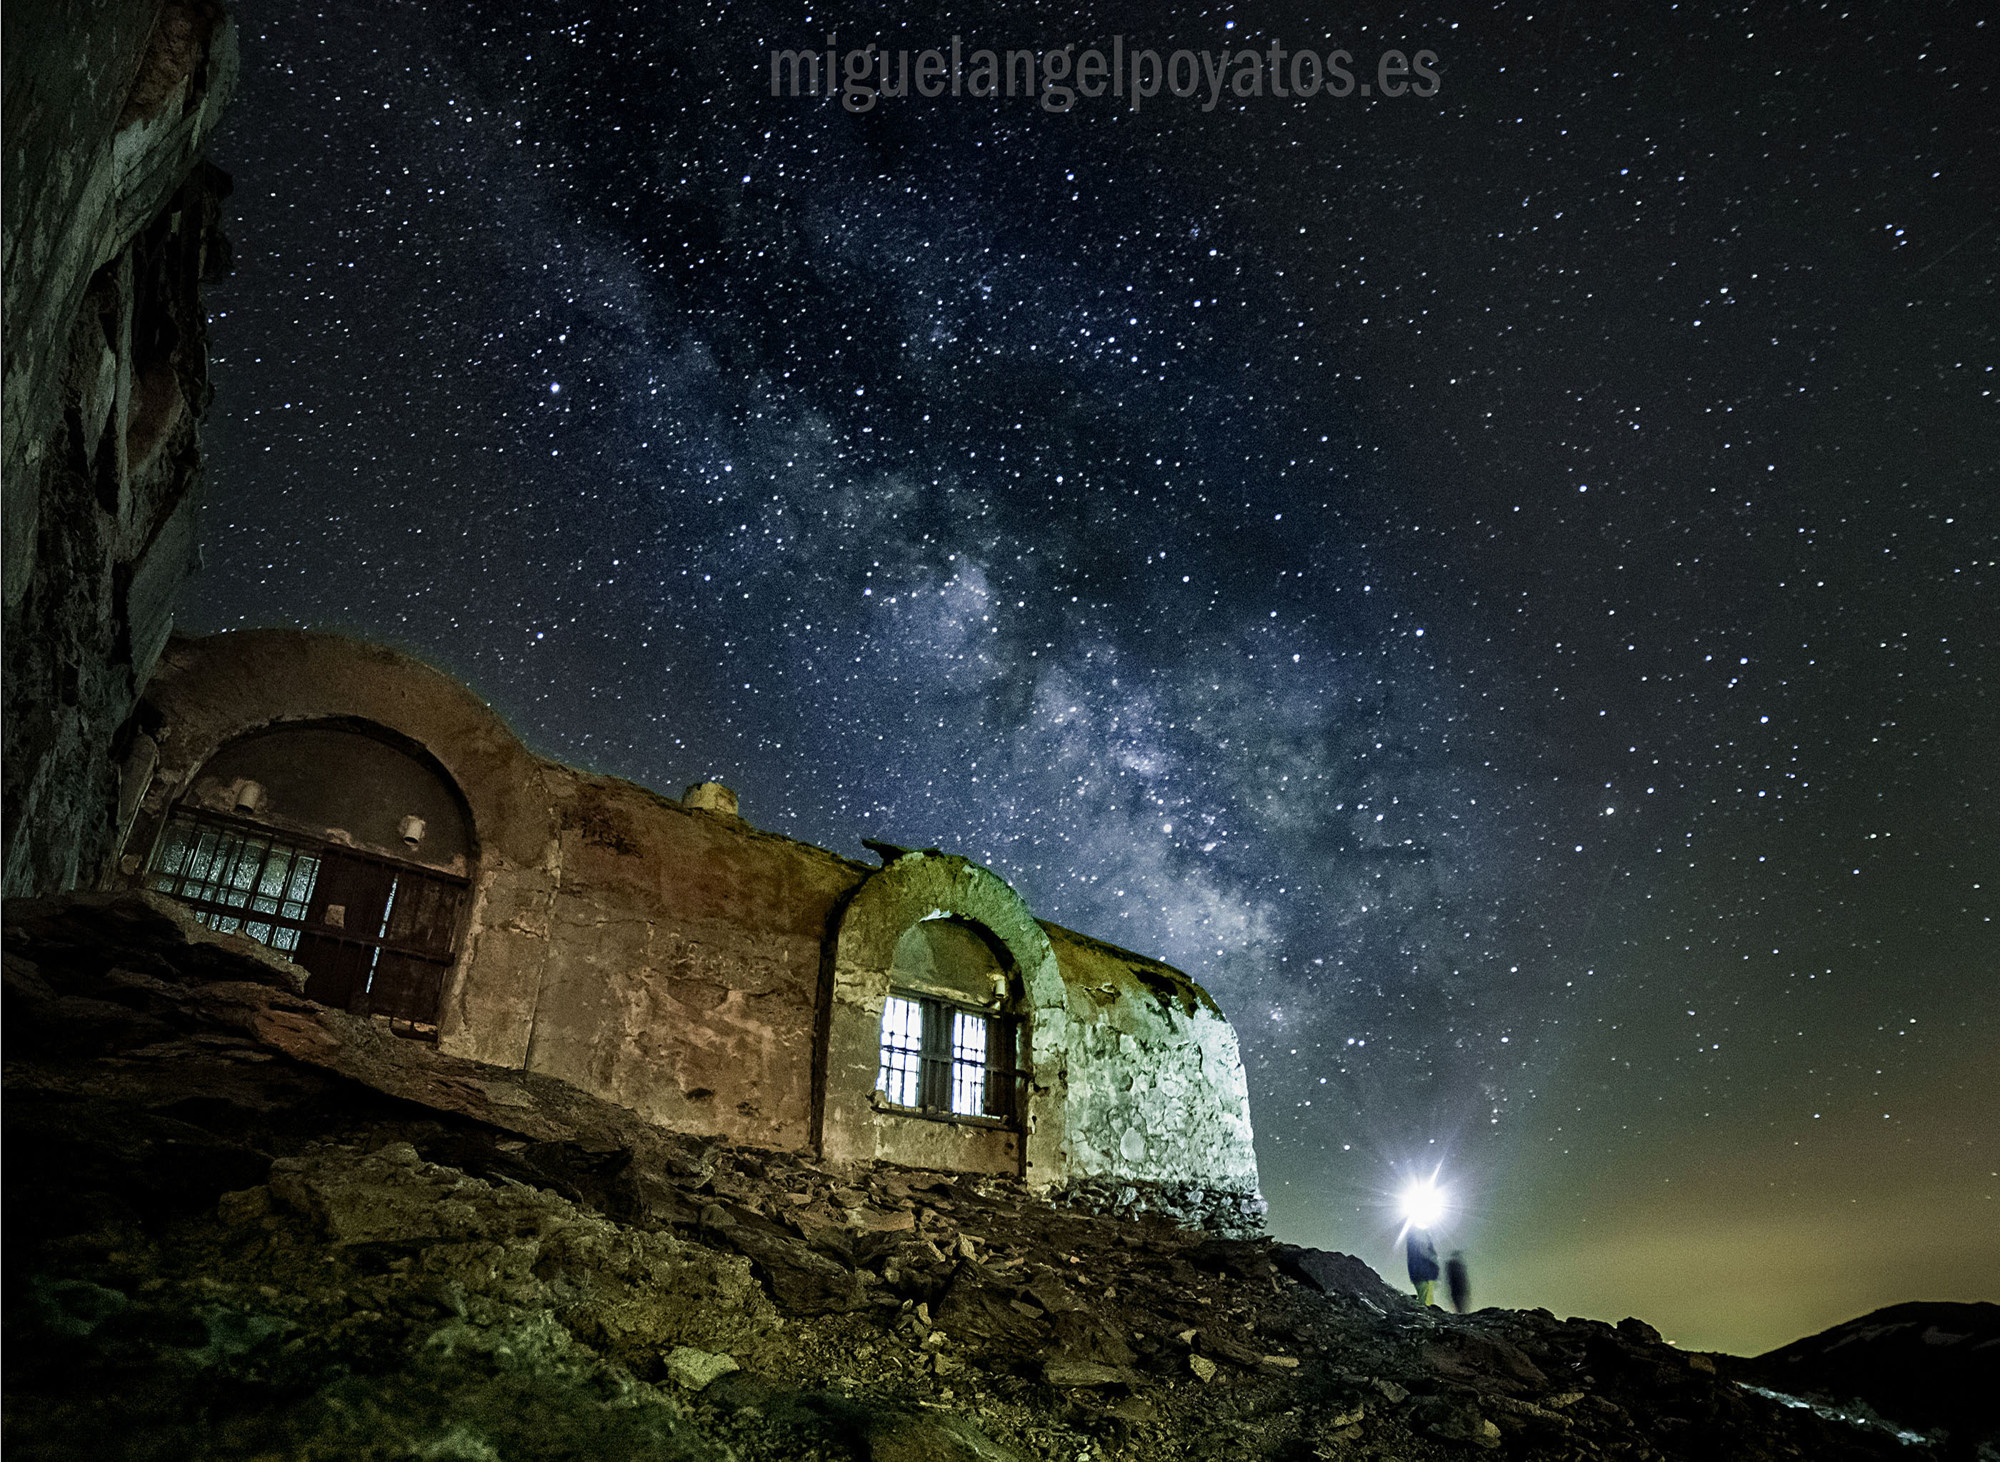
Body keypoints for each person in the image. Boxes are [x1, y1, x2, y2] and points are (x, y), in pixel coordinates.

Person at [1406, 1226, 1440, 1306]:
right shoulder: (1421, 1240)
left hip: (1421, 1275)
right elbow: (1428, 1254)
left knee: (1425, 1298)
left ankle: (1424, 1313)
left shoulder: (1413, 1242)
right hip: (1425, 1275)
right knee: (1426, 1300)